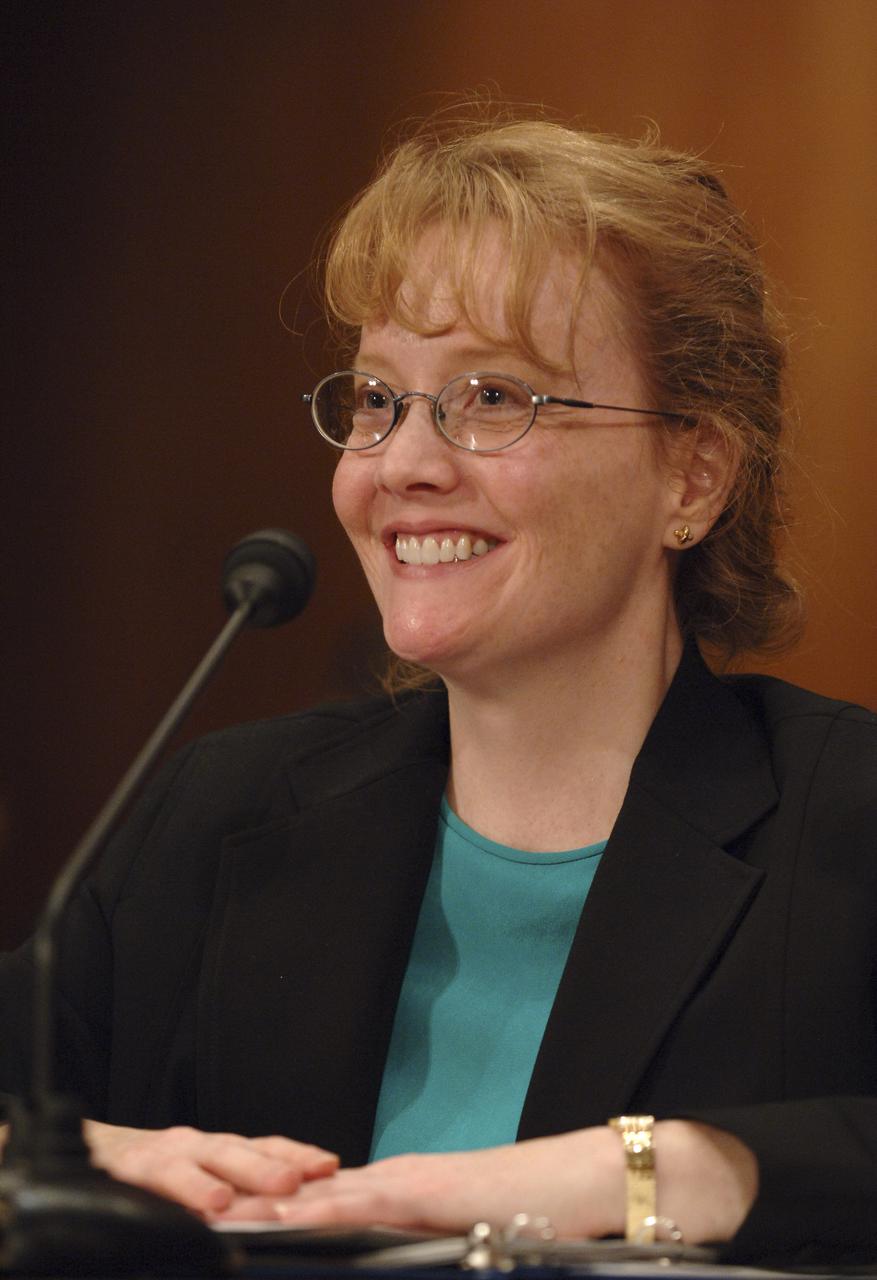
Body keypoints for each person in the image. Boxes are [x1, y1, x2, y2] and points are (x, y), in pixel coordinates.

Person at [2, 113, 876, 1267]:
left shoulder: (847, 827)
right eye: (375, 400)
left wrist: (646, 1168)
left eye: (495, 396)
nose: (404, 463)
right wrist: (73, 1158)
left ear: (693, 473)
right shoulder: (217, 816)